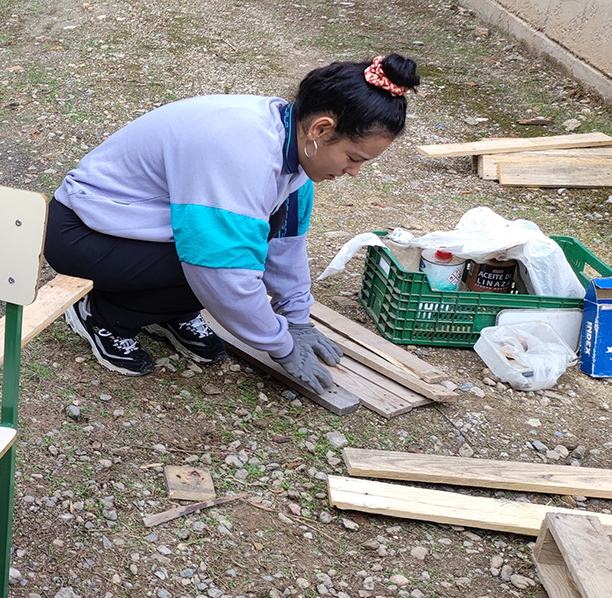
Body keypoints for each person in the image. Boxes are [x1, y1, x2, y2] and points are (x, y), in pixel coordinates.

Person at [43, 53, 418, 387]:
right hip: (83, 233)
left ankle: (171, 312)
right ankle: (105, 315)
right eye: (354, 157)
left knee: (254, 239)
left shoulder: (296, 152)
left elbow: (286, 245)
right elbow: (221, 271)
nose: (354, 171)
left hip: (140, 228)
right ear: (320, 129)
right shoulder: (241, 151)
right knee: (220, 265)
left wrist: (298, 317)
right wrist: (280, 344)